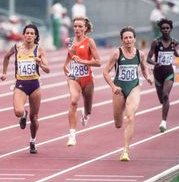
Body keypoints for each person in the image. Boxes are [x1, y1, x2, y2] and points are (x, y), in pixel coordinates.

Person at [103, 26, 153, 162]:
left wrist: (147, 76)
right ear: (122, 40)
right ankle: (120, 123)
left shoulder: (140, 54)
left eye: (130, 37)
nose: (128, 39)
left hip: (134, 87)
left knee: (130, 116)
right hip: (119, 88)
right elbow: (105, 72)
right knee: (118, 123)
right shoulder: (117, 53)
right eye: (125, 37)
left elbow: (144, 67)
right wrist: (113, 86)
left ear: (134, 39)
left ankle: (125, 150)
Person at [0, 24, 50, 154]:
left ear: (35, 36)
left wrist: (40, 63)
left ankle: (33, 140)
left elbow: (47, 69)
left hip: (34, 85)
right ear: (23, 35)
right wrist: (4, 72)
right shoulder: (17, 47)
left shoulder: (39, 50)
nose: (29, 35)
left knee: (34, 117)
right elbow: (6, 57)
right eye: (27, 33)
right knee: (18, 111)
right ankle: (23, 115)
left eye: (31, 33)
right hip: (21, 84)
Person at [63, 16, 101, 147]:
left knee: (88, 109)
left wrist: (83, 61)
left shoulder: (89, 42)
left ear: (85, 28)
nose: (77, 29)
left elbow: (98, 62)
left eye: (80, 26)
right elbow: (69, 57)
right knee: (73, 101)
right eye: (75, 26)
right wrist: (65, 67)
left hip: (87, 78)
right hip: (74, 77)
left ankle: (85, 114)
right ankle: (72, 135)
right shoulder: (68, 41)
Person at [147, 18, 179, 133]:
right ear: (160, 30)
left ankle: (163, 122)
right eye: (163, 28)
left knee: (166, 95)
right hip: (158, 73)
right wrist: (155, 63)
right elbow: (148, 58)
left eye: (167, 28)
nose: (165, 30)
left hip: (169, 72)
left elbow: (174, 52)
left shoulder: (174, 42)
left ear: (170, 29)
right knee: (162, 100)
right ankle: (165, 107)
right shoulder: (156, 42)